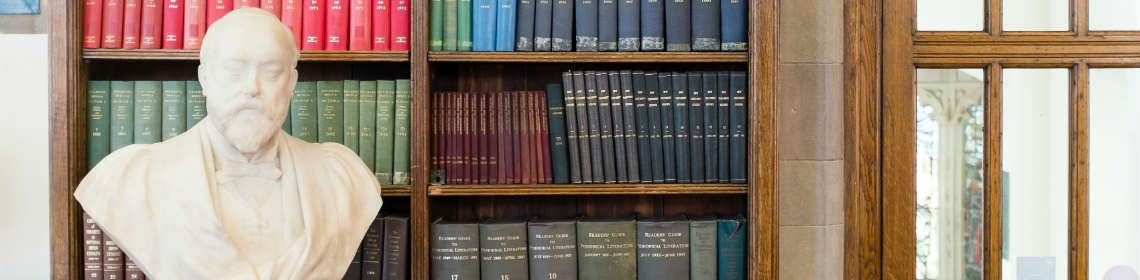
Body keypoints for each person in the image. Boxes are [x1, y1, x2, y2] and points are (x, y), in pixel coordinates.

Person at [74, 8, 382, 279]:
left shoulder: (341, 177)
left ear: (291, 84)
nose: (252, 88)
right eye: (235, 70)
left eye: (272, 72)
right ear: (204, 78)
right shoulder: (135, 178)